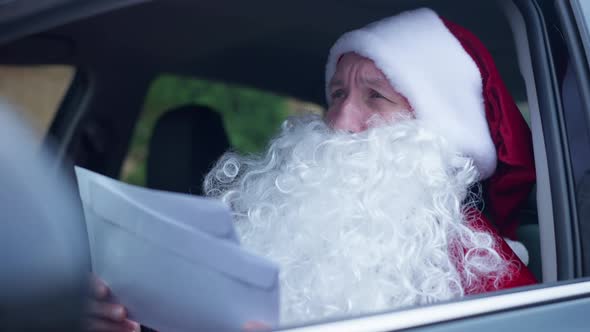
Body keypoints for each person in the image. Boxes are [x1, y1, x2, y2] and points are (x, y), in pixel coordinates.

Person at [85, 7, 537, 330]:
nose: (339, 122)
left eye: (375, 96)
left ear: (436, 130)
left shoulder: (493, 279)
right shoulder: (275, 223)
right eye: (337, 94)